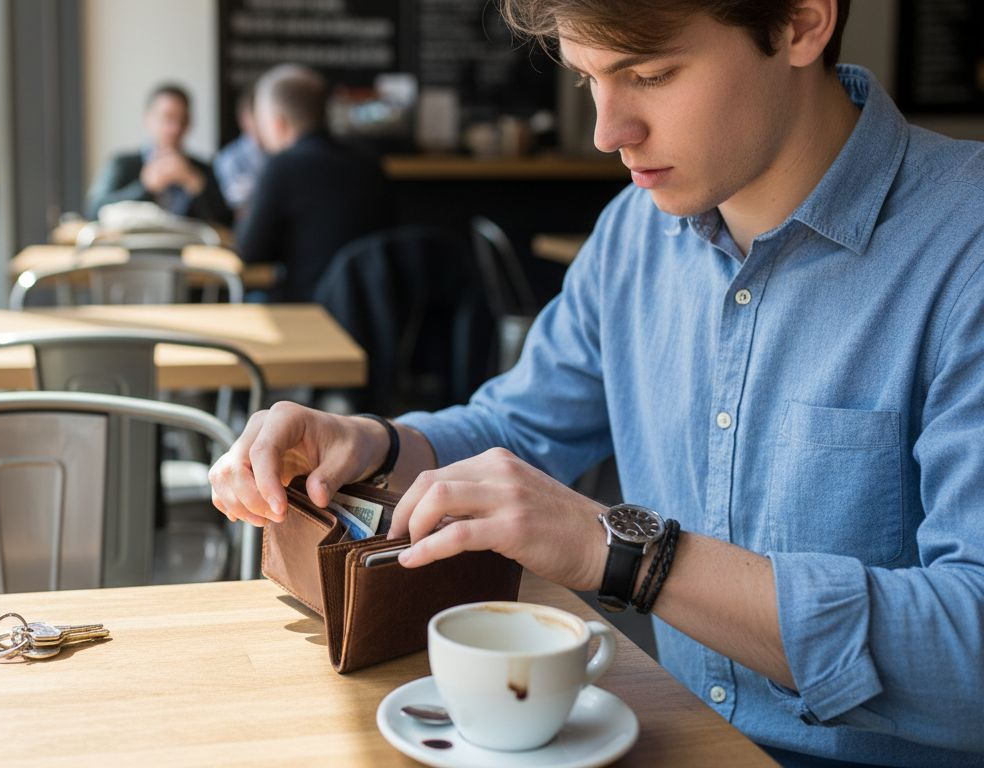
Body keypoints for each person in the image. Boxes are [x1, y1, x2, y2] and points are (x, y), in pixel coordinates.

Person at [208, 1, 984, 765]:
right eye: (589, 81)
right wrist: (372, 445)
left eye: (649, 74)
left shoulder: (966, 244)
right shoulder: (632, 232)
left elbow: (972, 652)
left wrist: (622, 554)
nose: (607, 133)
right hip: (665, 735)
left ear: (800, 22)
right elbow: (521, 431)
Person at [237, 64, 394, 302]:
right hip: (372, 310)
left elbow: (249, 252)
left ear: (277, 123)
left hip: (308, 308)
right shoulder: (370, 163)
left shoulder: (283, 166)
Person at [85, 83, 232, 227]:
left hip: (190, 249)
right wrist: (145, 187)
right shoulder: (122, 164)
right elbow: (93, 211)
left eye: (182, 120)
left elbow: (226, 223)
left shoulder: (202, 170)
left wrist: (196, 185)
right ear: (148, 118)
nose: (175, 128)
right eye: (167, 118)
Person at [213, 86, 267, 221]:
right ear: (244, 118)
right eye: (259, 115)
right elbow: (231, 211)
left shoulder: (284, 155)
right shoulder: (229, 159)